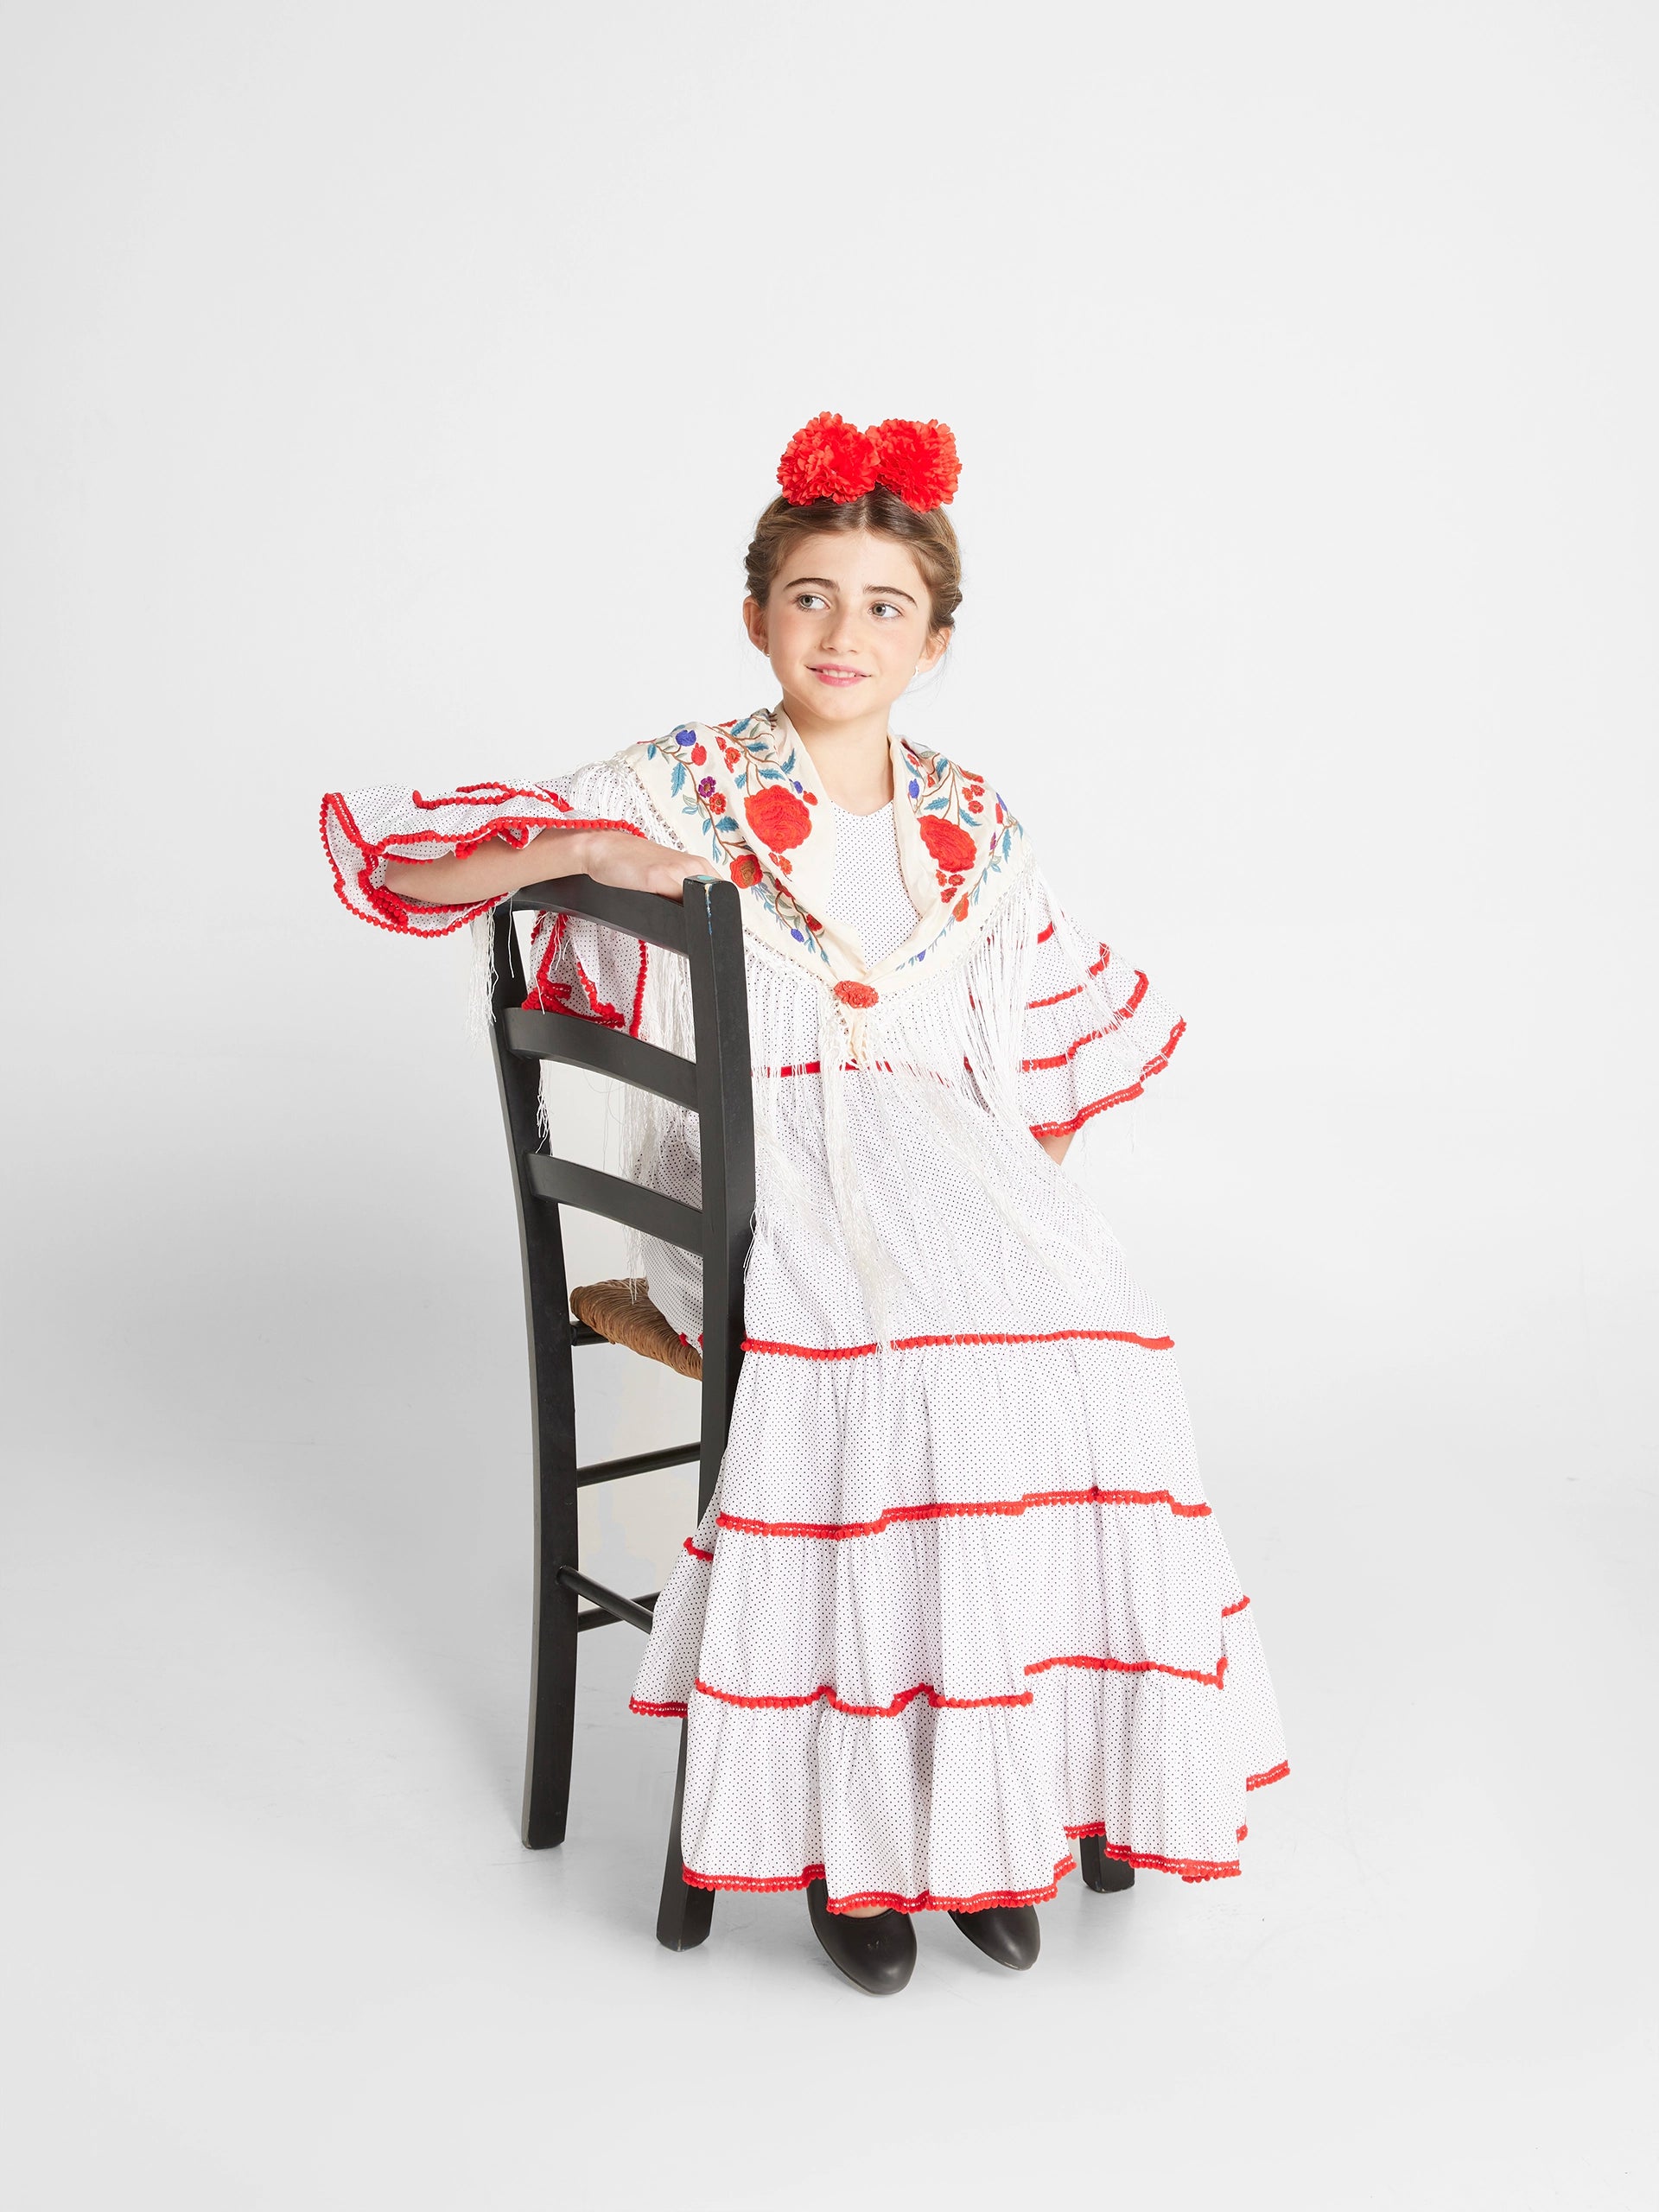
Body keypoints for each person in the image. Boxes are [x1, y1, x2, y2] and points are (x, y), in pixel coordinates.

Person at [320, 412, 1290, 1995]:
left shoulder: (973, 823)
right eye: (812, 596)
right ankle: (856, 1846)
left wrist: (1001, 1247)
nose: (846, 630)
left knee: (1095, 1348)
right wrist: (584, 847)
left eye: (886, 604)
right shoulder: (681, 784)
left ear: (937, 640)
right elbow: (410, 865)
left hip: (933, 1162)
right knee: (884, 1369)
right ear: (758, 616)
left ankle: (991, 1811)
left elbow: (1040, 1071)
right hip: (751, 1172)